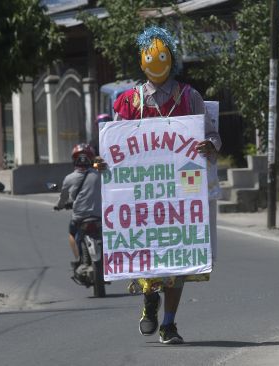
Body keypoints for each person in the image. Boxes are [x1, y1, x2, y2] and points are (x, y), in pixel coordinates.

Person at [112, 26, 222, 344]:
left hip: (183, 193)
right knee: (148, 254)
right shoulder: (129, 102)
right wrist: (103, 162)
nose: (156, 61)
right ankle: (149, 299)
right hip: (143, 195)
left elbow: (213, 135)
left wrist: (209, 146)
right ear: (142, 59)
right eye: (150, 55)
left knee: (180, 258)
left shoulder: (190, 97)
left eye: (161, 55)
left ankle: (169, 323)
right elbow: (114, 145)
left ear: (170, 58)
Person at [53, 143, 103, 273]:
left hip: (80, 217)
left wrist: (59, 206)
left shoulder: (69, 178)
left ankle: (79, 258)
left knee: (72, 232)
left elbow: (63, 199)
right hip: (99, 216)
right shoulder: (99, 175)